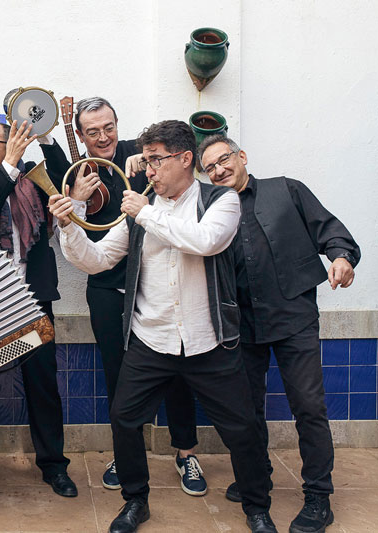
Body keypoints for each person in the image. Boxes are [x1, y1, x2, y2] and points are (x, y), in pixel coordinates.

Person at [49, 120, 275, 533]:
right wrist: (69, 224)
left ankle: (258, 508)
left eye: (156, 160)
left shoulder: (221, 200)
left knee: (242, 428)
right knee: (124, 417)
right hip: (150, 340)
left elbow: (205, 241)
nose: (148, 170)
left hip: (209, 342)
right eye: (147, 160)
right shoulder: (141, 211)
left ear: (185, 159)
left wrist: (145, 213)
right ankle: (136, 501)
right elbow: (96, 260)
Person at [40, 97, 206, 495]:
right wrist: (77, 197)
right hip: (106, 287)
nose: (103, 137)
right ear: (79, 135)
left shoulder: (142, 155)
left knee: (177, 371)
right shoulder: (77, 172)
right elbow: (73, 232)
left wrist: (143, 160)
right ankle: (126, 452)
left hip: (154, 287)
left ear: (118, 125)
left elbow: (179, 172)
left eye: (108, 127)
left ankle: (186, 452)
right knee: (118, 374)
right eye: (93, 131)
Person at [199, 135, 361, 533]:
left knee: (308, 407)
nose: (219, 170)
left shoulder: (286, 189)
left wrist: (341, 257)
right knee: (247, 410)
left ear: (242, 157)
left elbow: (332, 231)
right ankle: (259, 476)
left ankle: (319, 498)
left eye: (224, 160)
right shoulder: (210, 209)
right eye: (210, 167)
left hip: (294, 316)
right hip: (243, 325)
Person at [0, 121, 77, 498]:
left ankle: (54, 466)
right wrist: (8, 164)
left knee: (43, 386)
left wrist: (45, 134)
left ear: (13, 142)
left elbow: (64, 180)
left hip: (34, 298)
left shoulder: (35, 182)